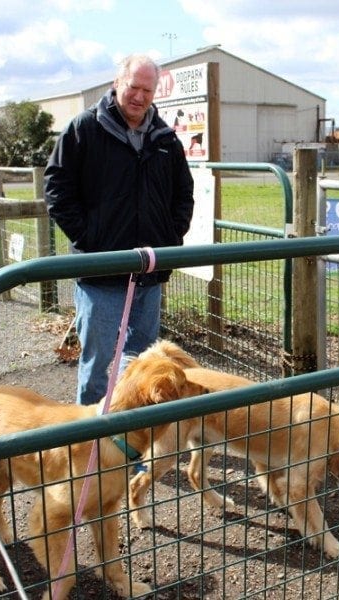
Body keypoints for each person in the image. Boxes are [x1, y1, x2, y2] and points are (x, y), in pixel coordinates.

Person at [44, 54, 195, 405]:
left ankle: (129, 431)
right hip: (101, 273)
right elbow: (57, 189)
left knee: (143, 362)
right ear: (117, 84)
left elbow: (183, 194)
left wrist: (170, 239)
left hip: (149, 272)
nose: (139, 97)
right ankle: (91, 434)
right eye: (133, 87)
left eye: (147, 90)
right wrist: (90, 240)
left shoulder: (164, 139)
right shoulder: (85, 129)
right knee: (97, 364)